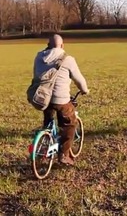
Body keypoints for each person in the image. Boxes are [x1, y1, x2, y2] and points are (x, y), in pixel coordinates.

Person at [32, 34, 89, 165]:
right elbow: (79, 80)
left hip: (42, 98)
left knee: (48, 121)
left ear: (48, 44)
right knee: (70, 124)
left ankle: (44, 146)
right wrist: (85, 90)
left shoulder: (39, 57)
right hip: (61, 99)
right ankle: (64, 154)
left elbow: (36, 74)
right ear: (62, 45)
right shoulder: (68, 59)